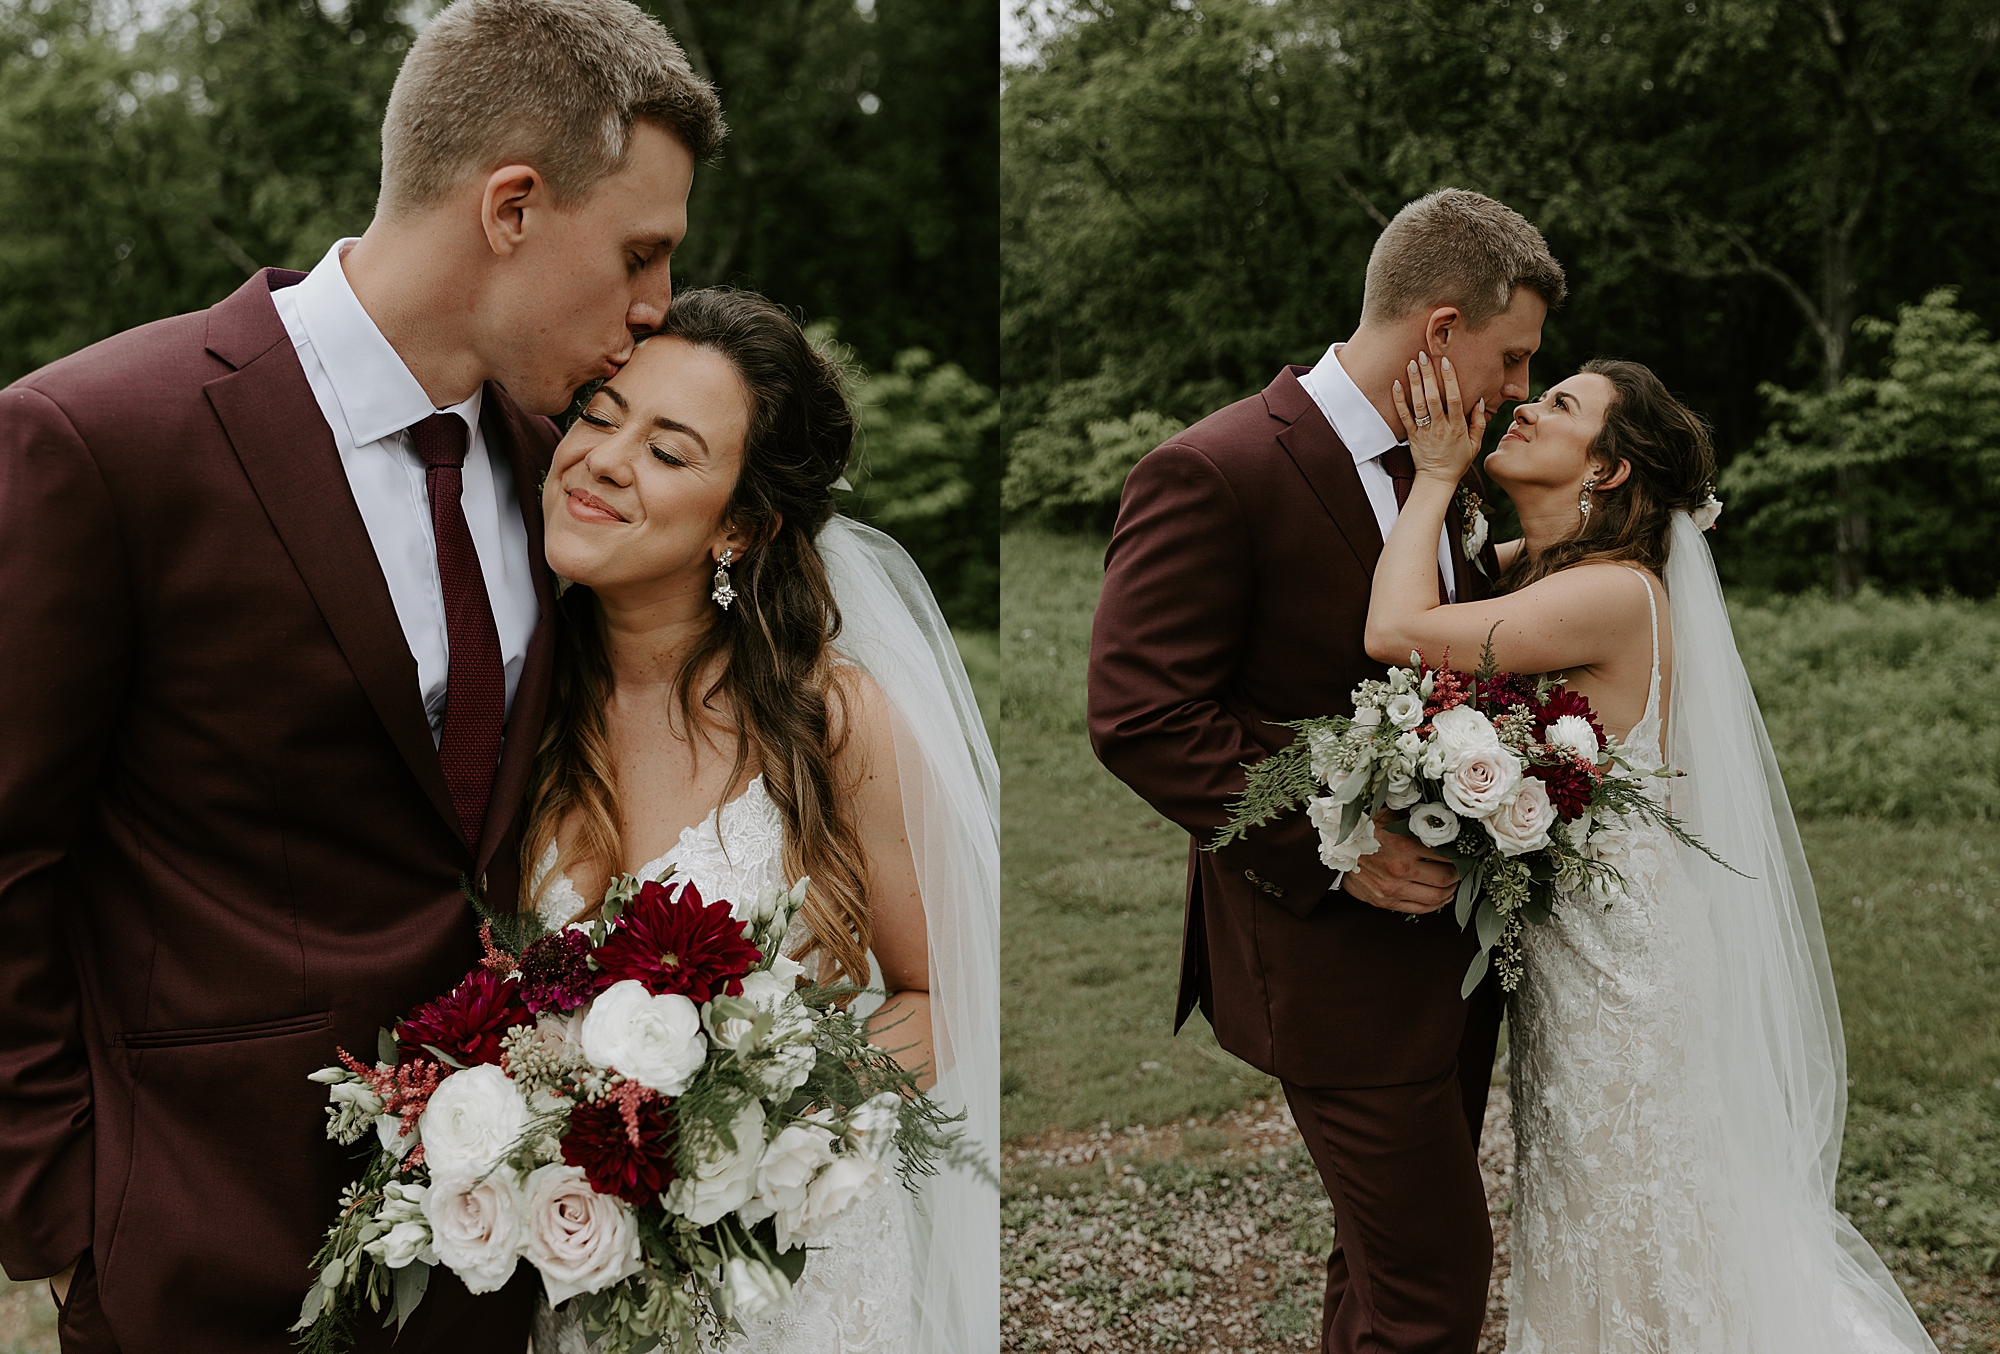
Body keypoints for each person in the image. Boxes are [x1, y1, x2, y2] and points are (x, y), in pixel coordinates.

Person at [0, 0, 722, 1353]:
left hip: (511, 1252)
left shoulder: (562, 471)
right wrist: (67, 1214)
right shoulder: (99, 440)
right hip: (196, 1262)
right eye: (640, 252)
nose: (657, 304)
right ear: (512, 207)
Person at [1369, 352, 1939, 1352]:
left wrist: (1429, 475)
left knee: (1637, 1208)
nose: (1526, 409)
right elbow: (1447, 581)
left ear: (1607, 470)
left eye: (1559, 404)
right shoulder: (1536, 571)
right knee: (1588, 1207)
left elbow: (1394, 627)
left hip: (1622, 976)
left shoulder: (1609, 594)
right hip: (1573, 964)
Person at [1088, 189, 1567, 1353]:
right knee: (1432, 1293)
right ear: (1440, 330)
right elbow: (1139, 713)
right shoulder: (1216, 469)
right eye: (1511, 360)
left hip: (1445, 961)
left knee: (1381, 1267)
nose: (1514, 392)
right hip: (1328, 962)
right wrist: (1337, 849)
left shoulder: (1440, 474)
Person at [522, 287, 999, 1354]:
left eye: (668, 450)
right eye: (600, 414)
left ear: (739, 525)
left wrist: (758, 1119)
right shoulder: (513, 712)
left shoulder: (833, 723)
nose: (601, 458)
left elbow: (940, 989)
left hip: (788, 1283)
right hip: (570, 1264)